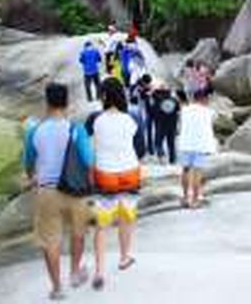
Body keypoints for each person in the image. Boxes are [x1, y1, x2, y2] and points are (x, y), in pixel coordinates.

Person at [23, 83, 94, 300]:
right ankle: (74, 273)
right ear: (67, 103)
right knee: (78, 233)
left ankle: (57, 288)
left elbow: (28, 163)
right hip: (75, 189)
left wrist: (32, 177)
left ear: (47, 102)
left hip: (47, 191)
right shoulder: (76, 129)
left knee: (50, 239)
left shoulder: (35, 131)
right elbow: (89, 161)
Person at [85, 77, 142, 291]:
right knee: (126, 217)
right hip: (129, 172)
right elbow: (141, 148)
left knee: (102, 224)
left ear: (103, 96)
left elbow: (86, 141)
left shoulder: (95, 120)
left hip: (105, 174)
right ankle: (124, 257)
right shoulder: (131, 118)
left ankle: (99, 271)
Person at [176, 89, 217, 208]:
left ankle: (185, 198)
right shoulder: (209, 111)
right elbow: (213, 121)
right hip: (200, 145)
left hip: (185, 144)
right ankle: (195, 200)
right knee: (197, 172)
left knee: (185, 170)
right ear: (204, 99)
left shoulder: (184, 110)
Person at [152, 83, 180, 164]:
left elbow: (153, 111)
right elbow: (178, 111)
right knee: (171, 143)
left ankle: (161, 156)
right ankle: (172, 159)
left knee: (158, 142)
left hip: (161, 124)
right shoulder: (174, 100)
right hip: (172, 125)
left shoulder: (157, 100)